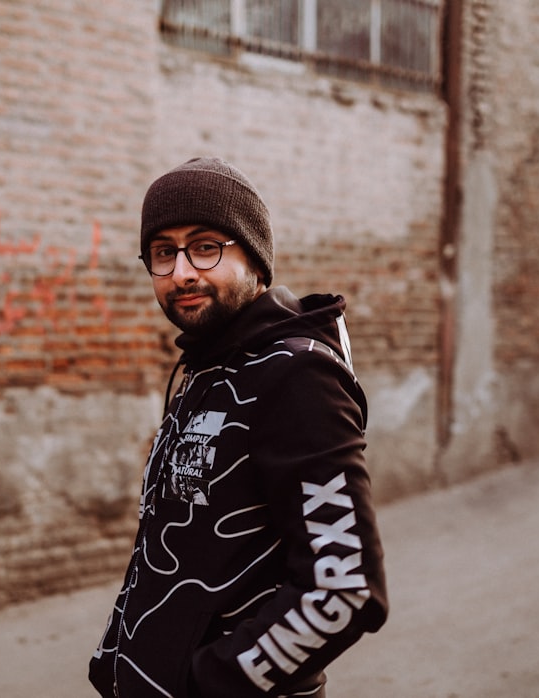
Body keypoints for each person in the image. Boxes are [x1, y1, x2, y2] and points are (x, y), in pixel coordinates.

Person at [89, 157, 388, 697]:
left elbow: (344, 588)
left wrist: (209, 683)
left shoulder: (296, 376)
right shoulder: (208, 366)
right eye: (163, 253)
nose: (181, 271)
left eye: (205, 246)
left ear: (254, 257)